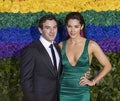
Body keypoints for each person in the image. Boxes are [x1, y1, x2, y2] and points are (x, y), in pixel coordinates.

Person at [59, 12, 112, 101]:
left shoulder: (91, 45)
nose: (72, 30)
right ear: (66, 27)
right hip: (62, 91)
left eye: (76, 26)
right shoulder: (60, 46)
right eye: (69, 26)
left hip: (81, 93)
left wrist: (93, 81)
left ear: (81, 26)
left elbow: (108, 66)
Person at [20, 14, 62, 101]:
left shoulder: (57, 48)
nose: (52, 31)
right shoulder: (30, 50)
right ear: (40, 30)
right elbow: (26, 81)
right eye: (47, 28)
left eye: (54, 27)